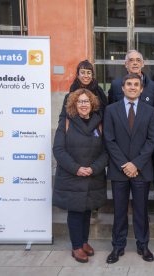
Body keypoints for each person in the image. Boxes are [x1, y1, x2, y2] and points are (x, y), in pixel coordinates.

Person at [104, 73, 154, 264]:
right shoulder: (111, 110)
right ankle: (118, 246)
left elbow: (152, 140)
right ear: (123, 87)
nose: (133, 87)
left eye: (137, 84)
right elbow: (109, 140)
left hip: (141, 169)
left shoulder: (150, 111)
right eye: (129, 84)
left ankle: (143, 245)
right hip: (119, 170)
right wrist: (124, 164)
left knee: (141, 210)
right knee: (119, 210)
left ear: (142, 89)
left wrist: (136, 164)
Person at [52, 88, 108, 263]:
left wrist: (94, 168)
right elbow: (59, 150)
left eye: (86, 101)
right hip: (72, 176)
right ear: (74, 104)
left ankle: (84, 242)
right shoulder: (66, 123)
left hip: (93, 175)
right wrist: (77, 168)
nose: (83, 105)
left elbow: (106, 151)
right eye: (80, 101)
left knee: (86, 212)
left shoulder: (99, 123)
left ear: (92, 104)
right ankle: (76, 246)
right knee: (76, 212)